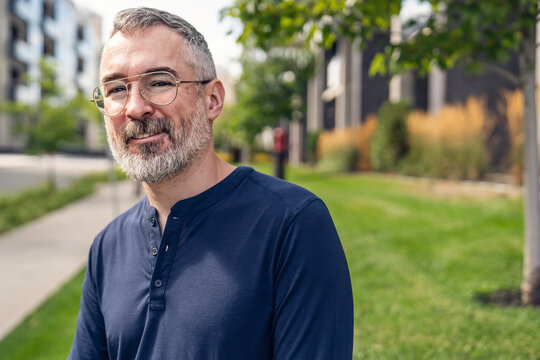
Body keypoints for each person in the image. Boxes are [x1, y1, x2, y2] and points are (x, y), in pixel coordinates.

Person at [69, 7, 353, 360]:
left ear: (212, 100)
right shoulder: (107, 248)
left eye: (159, 82)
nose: (135, 108)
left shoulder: (292, 224)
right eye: (115, 89)